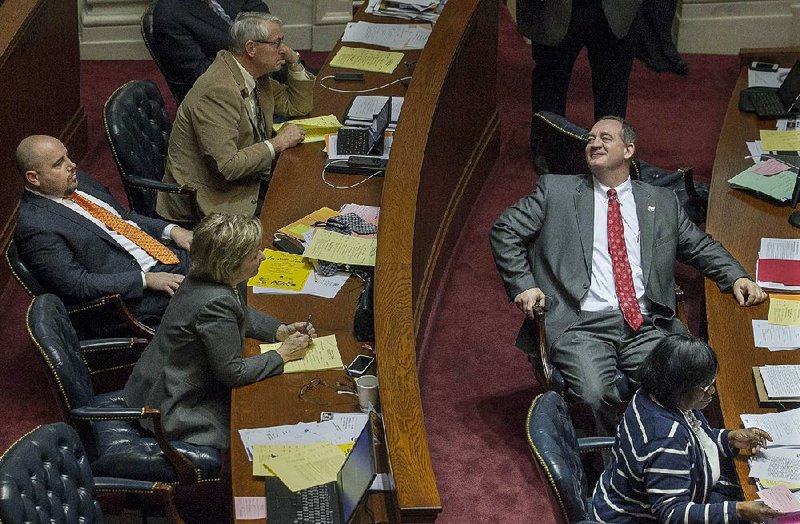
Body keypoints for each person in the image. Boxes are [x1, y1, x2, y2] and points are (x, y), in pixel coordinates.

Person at [490, 116, 767, 436]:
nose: (594, 143)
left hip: (645, 321)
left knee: (678, 381)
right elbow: (505, 230)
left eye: (606, 138)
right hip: (580, 323)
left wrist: (735, 277)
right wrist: (524, 285)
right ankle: (617, 465)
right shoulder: (557, 190)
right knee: (595, 393)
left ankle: (671, 452)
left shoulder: (662, 201)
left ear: (629, 149)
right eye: (590, 138)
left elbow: (698, 246)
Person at [122, 213, 314, 448]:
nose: (263, 257)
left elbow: (239, 312)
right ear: (231, 264)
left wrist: (279, 330)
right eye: (254, 255)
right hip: (173, 406)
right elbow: (233, 372)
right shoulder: (214, 302)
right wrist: (283, 354)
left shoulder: (214, 275)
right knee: (261, 429)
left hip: (162, 383)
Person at [592, 335, 783, 523]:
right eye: (705, 386)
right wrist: (738, 511)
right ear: (680, 387)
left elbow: (691, 438)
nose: (712, 391)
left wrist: (730, 439)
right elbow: (672, 513)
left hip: (637, 493)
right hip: (635, 517)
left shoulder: (653, 396)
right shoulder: (666, 439)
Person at [14, 135, 192, 325]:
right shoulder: (35, 227)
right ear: (33, 178)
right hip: (136, 297)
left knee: (223, 249)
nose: (72, 164)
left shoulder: (75, 180)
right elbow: (78, 285)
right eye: (59, 164)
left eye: (67, 156)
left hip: (165, 256)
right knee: (217, 295)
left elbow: (124, 217)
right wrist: (145, 280)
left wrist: (171, 230)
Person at [157, 12, 313, 223]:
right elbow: (228, 166)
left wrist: (295, 62)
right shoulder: (217, 91)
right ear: (251, 48)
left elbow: (298, 105)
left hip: (247, 178)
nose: (283, 50)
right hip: (212, 198)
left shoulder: (254, 74)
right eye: (276, 43)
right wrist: (277, 143)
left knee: (304, 188)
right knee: (297, 211)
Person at [515, 0, 641, 135]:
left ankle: (610, 148)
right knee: (549, 83)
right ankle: (548, 148)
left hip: (617, 7)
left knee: (613, 86)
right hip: (553, 7)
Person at [151, 0, 272, 103]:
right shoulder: (169, 14)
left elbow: (263, 17)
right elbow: (203, 75)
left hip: (269, 70)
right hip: (228, 101)